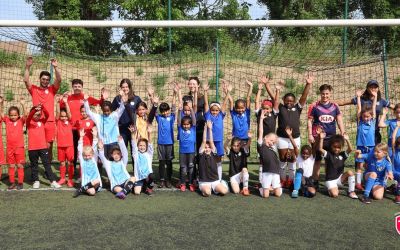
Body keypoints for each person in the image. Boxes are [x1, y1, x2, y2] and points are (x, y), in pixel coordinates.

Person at [265, 73, 313, 188]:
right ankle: (282, 180)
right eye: (287, 101)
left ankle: (291, 180)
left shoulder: (297, 108)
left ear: (294, 101)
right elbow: (273, 98)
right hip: (281, 137)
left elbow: (304, 97)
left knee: (292, 160)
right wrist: (266, 84)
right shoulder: (281, 107)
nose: (289, 102)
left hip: (295, 137)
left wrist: (308, 84)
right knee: (282, 160)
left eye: (291, 101)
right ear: (283, 100)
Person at [59, 79, 104, 172]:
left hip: (83, 129)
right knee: (73, 149)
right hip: (70, 128)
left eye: (79, 86)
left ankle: (88, 168)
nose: (77, 88)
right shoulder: (68, 98)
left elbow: (98, 102)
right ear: (72, 87)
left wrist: (102, 97)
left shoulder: (85, 97)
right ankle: (73, 169)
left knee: (85, 148)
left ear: (82, 87)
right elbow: (60, 107)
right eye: (75, 86)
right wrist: (60, 99)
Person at [24, 56, 62, 162]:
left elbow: (59, 79)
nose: (45, 81)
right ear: (40, 79)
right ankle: (35, 168)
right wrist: (27, 66)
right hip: (37, 121)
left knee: (48, 147)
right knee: (37, 148)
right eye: (43, 79)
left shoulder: (51, 90)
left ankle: (47, 168)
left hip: (49, 122)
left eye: (47, 80)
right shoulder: (34, 89)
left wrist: (56, 67)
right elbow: (26, 80)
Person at [308, 84, 346, 187]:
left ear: (330, 93)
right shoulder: (314, 106)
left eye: (327, 94)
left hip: (331, 139)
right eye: (323, 94)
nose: (325, 96)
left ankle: (329, 180)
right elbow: (310, 121)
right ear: (320, 94)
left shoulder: (335, 106)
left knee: (330, 160)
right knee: (317, 160)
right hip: (318, 138)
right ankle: (315, 181)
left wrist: (343, 132)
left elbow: (339, 120)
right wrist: (310, 134)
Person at [26, 105, 61, 189]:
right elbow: (30, 116)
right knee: (34, 165)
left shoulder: (42, 121)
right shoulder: (29, 122)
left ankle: (52, 181)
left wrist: (42, 108)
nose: (37, 116)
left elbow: (47, 114)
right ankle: (36, 181)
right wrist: (34, 110)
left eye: (39, 115)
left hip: (42, 147)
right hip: (32, 148)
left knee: (47, 164)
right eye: (35, 114)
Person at [83, 92, 125, 159]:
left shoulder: (115, 116)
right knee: (104, 162)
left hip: (114, 143)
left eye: (108, 111)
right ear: (102, 110)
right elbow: (88, 112)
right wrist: (85, 101)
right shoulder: (98, 118)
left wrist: (122, 97)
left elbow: (122, 108)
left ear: (111, 109)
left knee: (114, 160)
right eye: (104, 111)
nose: (106, 113)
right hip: (103, 144)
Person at [255, 75, 279, 187]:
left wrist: (273, 89)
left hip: (271, 142)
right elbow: (256, 102)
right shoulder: (260, 114)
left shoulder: (274, 114)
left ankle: (273, 180)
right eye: (264, 108)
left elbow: (276, 102)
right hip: (262, 141)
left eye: (267, 108)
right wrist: (259, 90)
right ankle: (261, 181)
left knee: (271, 160)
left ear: (270, 109)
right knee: (262, 160)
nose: (265, 110)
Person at [203, 81, 230, 181]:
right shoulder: (208, 115)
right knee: (208, 159)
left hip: (218, 140)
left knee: (218, 160)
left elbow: (224, 103)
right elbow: (206, 103)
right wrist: (205, 91)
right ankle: (208, 176)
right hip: (209, 140)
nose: (214, 112)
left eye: (216, 110)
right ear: (210, 110)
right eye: (213, 110)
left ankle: (218, 178)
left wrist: (228, 93)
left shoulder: (220, 115)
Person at [319, 132, 358, 199]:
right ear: (331, 146)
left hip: (340, 179)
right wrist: (321, 138)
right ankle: (330, 188)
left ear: (341, 147)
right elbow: (320, 149)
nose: (337, 149)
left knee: (350, 172)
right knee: (335, 195)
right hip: (330, 180)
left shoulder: (342, 155)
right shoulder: (328, 155)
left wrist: (347, 139)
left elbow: (350, 149)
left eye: (339, 147)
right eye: (335, 147)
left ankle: (351, 191)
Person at [152, 83, 177, 188]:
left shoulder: (172, 117)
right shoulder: (159, 118)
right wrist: (152, 100)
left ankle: (168, 179)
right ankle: (162, 179)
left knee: (169, 162)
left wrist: (174, 94)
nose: (166, 112)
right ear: (161, 112)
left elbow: (174, 107)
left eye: (167, 110)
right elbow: (154, 111)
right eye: (164, 111)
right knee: (162, 162)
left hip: (170, 143)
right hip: (161, 143)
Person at [1, 97, 27, 190]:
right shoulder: (7, 120)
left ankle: (20, 183)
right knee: (11, 166)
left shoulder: (21, 121)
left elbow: (26, 116)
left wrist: (23, 104)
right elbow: (2, 114)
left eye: (15, 115)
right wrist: (1, 103)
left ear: (18, 115)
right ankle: (12, 182)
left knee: (20, 165)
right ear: (9, 115)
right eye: (11, 115)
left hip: (19, 148)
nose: (13, 117)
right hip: (9, 148)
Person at [111, 79, 142, 156]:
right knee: (122, 151)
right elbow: (110, 111)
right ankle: (121, 168)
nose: (125, 89)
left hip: (133, 128)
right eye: (123, 87)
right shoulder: (117, 99)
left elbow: (142, 111)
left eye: (126, 87)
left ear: (130, 87)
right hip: (122, 129)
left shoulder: (136, 98)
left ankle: (136, 168)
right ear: (120, 88)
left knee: (135, 151)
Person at [198, 121, 229, 197]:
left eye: (208, 147)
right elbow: (204, 141)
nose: (207, 149)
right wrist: (205, 129)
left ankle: (220, 184)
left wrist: (210, 129)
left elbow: (211, 141)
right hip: (204, 181)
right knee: (207, 193)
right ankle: (205, 188)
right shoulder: (201, 154)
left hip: (215, 181)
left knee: (224, 191)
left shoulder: (214, 153)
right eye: (205, 147)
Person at [354, 89, 377, 190]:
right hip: (360, 147)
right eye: (364, 116)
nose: (366, 118)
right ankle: (358, 183)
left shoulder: (372, 122)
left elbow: (374, 107)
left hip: (371, 147)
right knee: (359, 164)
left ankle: (367, 181)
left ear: (371, 116)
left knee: (370, 164)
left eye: (368, 116)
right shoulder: (360, 122)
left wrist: (375, 97)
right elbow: (359, 108)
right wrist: (358, 97)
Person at [177, 86, 197, 192]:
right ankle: (183, 183)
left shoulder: (193, 127)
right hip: (182, 152)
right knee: (183, 168)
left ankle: (191, 183)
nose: (186, 126)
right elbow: (179, 120)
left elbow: (193, 119)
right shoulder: (180, 127)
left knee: (191, 167)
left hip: (191, 151)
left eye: (187, 125)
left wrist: (191, 109)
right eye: (184, 125)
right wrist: (180, 110)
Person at [287, 127, 316, 198]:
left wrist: (315, 140)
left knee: (312, 193)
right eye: (303, 153)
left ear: (310, 154)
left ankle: (302, 190)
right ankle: (296, 190)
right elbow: (295, 146)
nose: (305, 155)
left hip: (308, 180)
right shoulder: (299, 157)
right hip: (299, 178)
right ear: (301, 153)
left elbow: (314, 148)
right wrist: (290, 135)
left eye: (307, 154)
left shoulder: (312, 158)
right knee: (300, 170)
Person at [258, 111, 281, 198]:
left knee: (278, 194)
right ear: (265, 138)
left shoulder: (273, 149)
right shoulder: (262, 146)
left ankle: (273, 188)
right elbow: (260, 131)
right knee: (265, 196)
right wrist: (261, 119)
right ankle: (262, 188)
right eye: (271, 140)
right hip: (266, 172)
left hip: (275, 173)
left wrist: (275, 140)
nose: (272, 143)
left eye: (274, 142)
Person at [73, 127, 102, 198]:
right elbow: (79, 149)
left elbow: (94, 147)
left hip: (96, 183)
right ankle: (84, 188)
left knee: (96, 181)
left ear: (92, 155)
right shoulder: (82, 161)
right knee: (92, 192)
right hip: (86, 184)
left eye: (89, 155)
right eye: (85, 155)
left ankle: (81, 190)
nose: (87, 157)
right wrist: (81, 137)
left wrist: (95, 136)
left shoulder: (93, 159)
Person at [55, 94, 75, 187]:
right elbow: (58, 113)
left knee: (70, 162)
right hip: (60, 145)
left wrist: (66, 102)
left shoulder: (70, 121)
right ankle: (62, 178)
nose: (63, 118)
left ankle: (70, 180)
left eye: (65, 116)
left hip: (69, 145)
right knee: (62, 163)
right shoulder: (58, 121)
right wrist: (58, 103)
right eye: (62, 116)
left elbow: (69, 113)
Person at [129, 124, 154, 195]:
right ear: (138, 146)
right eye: (140, 145)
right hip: (138, 177)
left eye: (144, 146)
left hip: (147, 177)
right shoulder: (135, 154)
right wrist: (132, 134)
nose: (142, 147)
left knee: (151, 176)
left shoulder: (149, 154)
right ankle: (142, 186)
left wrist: (149, 133)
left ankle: (148, 187)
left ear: (146, 147)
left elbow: (150, 144)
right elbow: (133, 144)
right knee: (136, 192)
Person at [227, 79, 252, 146]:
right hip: (235, 138)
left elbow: (248, 98)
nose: (240, 110)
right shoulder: (234, 114)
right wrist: (227, 92)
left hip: (245, 138)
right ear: (235, 108)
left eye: (242, 108)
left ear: (245, 107)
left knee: (244, 154)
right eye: (238, 108)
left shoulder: (247, 112)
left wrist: (251, 87)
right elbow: (231, 101)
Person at [391, 123, 400, 204]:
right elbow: (393, 137)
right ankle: (398, 195)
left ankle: (395, 187)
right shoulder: (394, 151)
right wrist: (397, 126)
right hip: (394, 172)